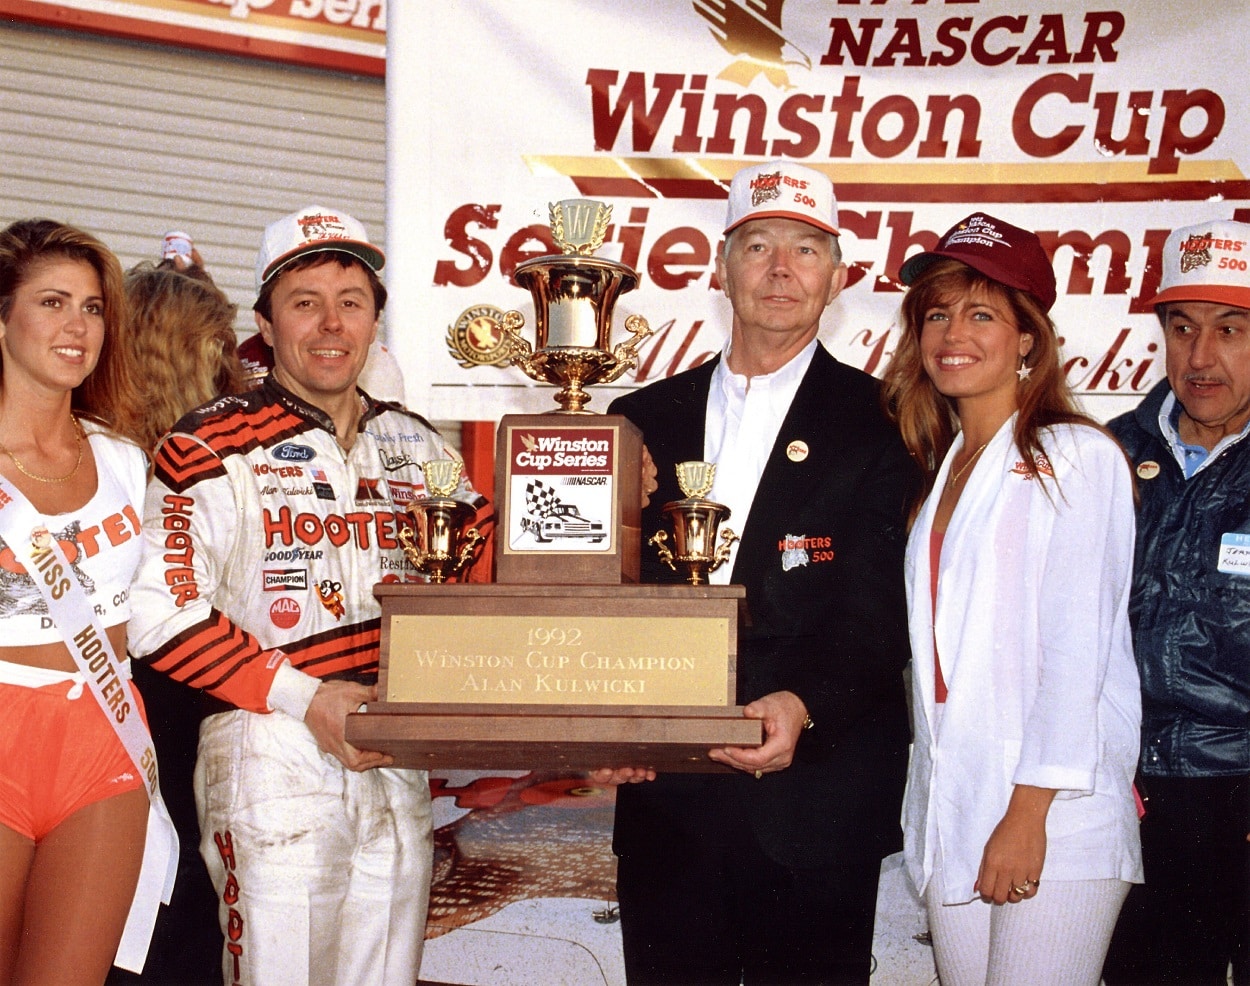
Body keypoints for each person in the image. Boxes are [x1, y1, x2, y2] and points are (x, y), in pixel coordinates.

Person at [127, 204, 485, 986]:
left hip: (398, 761)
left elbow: (490, 582)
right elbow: (158, 616)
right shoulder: (204, 444)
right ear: (265, 321)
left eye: (351, 302)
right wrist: (307, 699)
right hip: (271, 755)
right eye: (305, 301)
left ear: (375, 322)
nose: (331, 324)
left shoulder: (421, 448)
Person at [599, 161, 920, 984]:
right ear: (720, 265)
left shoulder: (888, 422)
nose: (782, 270)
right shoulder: (637, 419)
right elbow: (604, 603)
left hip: (816, 800)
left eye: (807, 249)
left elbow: (883, 610)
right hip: (668, 801)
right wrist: (602, 724)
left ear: (837, 276)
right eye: (759, 246)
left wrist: (806, 704)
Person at [881, 213, 1143, 986]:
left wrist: (1026, 819)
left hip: (1052, 821)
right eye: (937, 313)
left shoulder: (1076, 457)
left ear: (1027, 337)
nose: (951, 333)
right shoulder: (945, 467)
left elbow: (1074, 655)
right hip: (955, 813)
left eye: (982, 312)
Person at [0, 219, 171, 984]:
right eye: (53, 302)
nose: (77, 326)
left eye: (94, 307)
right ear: (4, 318)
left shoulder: (127, 459)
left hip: (104, 745)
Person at [1102, 218, 1250, 986]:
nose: (1202, 357)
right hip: (1131, 795)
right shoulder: (1106, 453)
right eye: (1184, 327)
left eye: (1231, 329)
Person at [106, 261, 247, 986]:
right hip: (171, 700)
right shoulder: (136, 464)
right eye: (219, 338)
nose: (236, 354)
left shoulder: (104, 454)